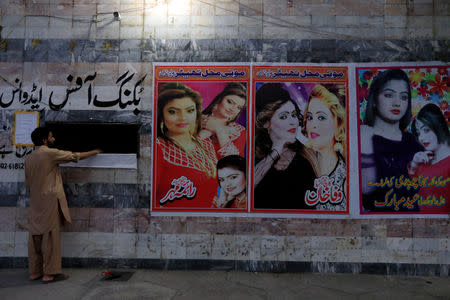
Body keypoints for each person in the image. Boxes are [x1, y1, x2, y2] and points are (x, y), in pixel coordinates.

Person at [25, 127, 101, 283]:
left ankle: (35, 272)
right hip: (49, 200)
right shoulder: (50, 153)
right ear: (45, 140)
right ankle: (50, 273)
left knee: (35, 236)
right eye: (51, 137)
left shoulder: (29, 157)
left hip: (35, 200)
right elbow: (75, 156)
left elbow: (28, 183)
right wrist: (95, 152)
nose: (54, 139)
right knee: (51, 236)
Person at [360, 69, 423, 212]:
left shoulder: (413, 142)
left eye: (403, 97)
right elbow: (366, 188)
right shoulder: (362, 137)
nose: (397, 103)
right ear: (374, 99)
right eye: (389, 95)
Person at [155, 82, 218, 208]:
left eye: (189, 111)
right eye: (173, 112)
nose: (182, 117)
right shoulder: (159, 148)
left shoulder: (206, 144)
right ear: (162, 116)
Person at [253, 83, 316, 209]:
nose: (293, 122)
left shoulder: (308, 156)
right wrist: (276, 149)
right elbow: (247, 189)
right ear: (266, 123)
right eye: (283, 116)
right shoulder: (253, 156)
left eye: (294, 115)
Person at [303, 84, 347, 211]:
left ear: (338, 124)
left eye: (321, 117)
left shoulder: (345, 179)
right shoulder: (300, 162)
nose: (313, 125)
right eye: (310, 117)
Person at [409, 103, 450, 213]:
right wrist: (414, 164)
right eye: (418, 133)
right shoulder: (424, 159)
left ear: (439, 125)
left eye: (426, 130)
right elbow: (411, 188)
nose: (421, 138)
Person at [199, 83, 247, 158]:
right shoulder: (196, 118)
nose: (233, 109)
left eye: (238, 107)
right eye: (230, 102)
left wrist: (218, 129)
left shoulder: (238, 131)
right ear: (219, 99)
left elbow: (235, 162)